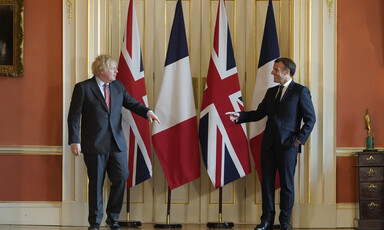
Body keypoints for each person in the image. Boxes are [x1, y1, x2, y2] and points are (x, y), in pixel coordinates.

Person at [67, 55, 160, 230]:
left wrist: (148, 112)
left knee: (122, 177)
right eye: (113, 68)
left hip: (117, 144)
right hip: (94, 144)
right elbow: (74, 116)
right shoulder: (83, 88)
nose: (116, 71)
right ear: (101, 70)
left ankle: (113, 218)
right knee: (96, 184)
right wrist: (74, 140)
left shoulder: (118, 86)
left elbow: (131, 103)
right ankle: (94, 223)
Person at [226, 57, 316, 230]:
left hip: (289, 146)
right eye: (273, 69)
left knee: (287, 186)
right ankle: (266, 221)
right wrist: (240, 116)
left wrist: (298, 141)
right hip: (267, 145)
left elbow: (310, 119)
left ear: (286, 72)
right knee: (266, 183)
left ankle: (284, 222)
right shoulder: (270, 92)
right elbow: (259, 113)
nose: (272, 72)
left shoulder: (300, 91)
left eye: (276, 69)